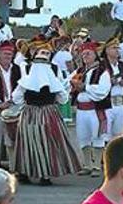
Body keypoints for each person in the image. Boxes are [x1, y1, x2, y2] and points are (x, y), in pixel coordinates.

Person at [10, 41, 81, 185]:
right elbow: (62, 97)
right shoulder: (33, 69)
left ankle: (29, 172)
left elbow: (17, 96)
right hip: (46, 111)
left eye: (47, 53)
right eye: (43, 53)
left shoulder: (40, 70)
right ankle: (42, 174)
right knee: (42, 142)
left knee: (33, 142)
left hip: (33, 112)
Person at [71, 41, 111, 176]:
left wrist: (85, 88)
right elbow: (68, 84)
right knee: (83, 137)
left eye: (88, 53)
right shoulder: (79, 71)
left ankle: (96, 166)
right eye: (83, 54)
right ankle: (87, 165)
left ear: (95, 55)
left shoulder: (102, 71)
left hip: (95, 109)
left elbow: (103, 90)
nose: (85, 56)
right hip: (81, 110)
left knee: (97, 136)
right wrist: (73, 86)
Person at [100, 38, 123, 145]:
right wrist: (110, 82)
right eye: (114, 48)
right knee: (106, 136)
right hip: (108, 104)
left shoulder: (122, 65)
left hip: (120, 103)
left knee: (119, 136)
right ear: (107, 50)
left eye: (118, 48)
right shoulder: (102, 65)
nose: (117, 50)